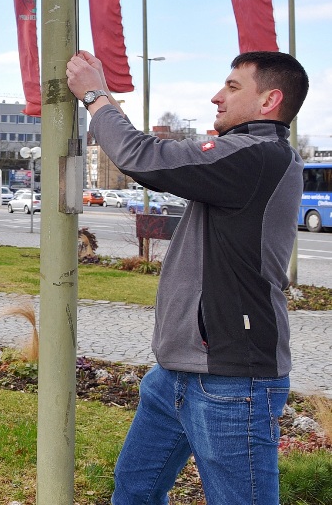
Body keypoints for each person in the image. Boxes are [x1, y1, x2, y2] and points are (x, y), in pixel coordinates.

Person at [65, 49, 309, 505]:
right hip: (175, 374)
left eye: (233, 87)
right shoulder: (242, 157)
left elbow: (143, 156)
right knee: (134, 490)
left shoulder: (257, 156)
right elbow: (152, 156)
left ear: (270, 100)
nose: (217, 97)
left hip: (232, 380)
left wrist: (96, 96)